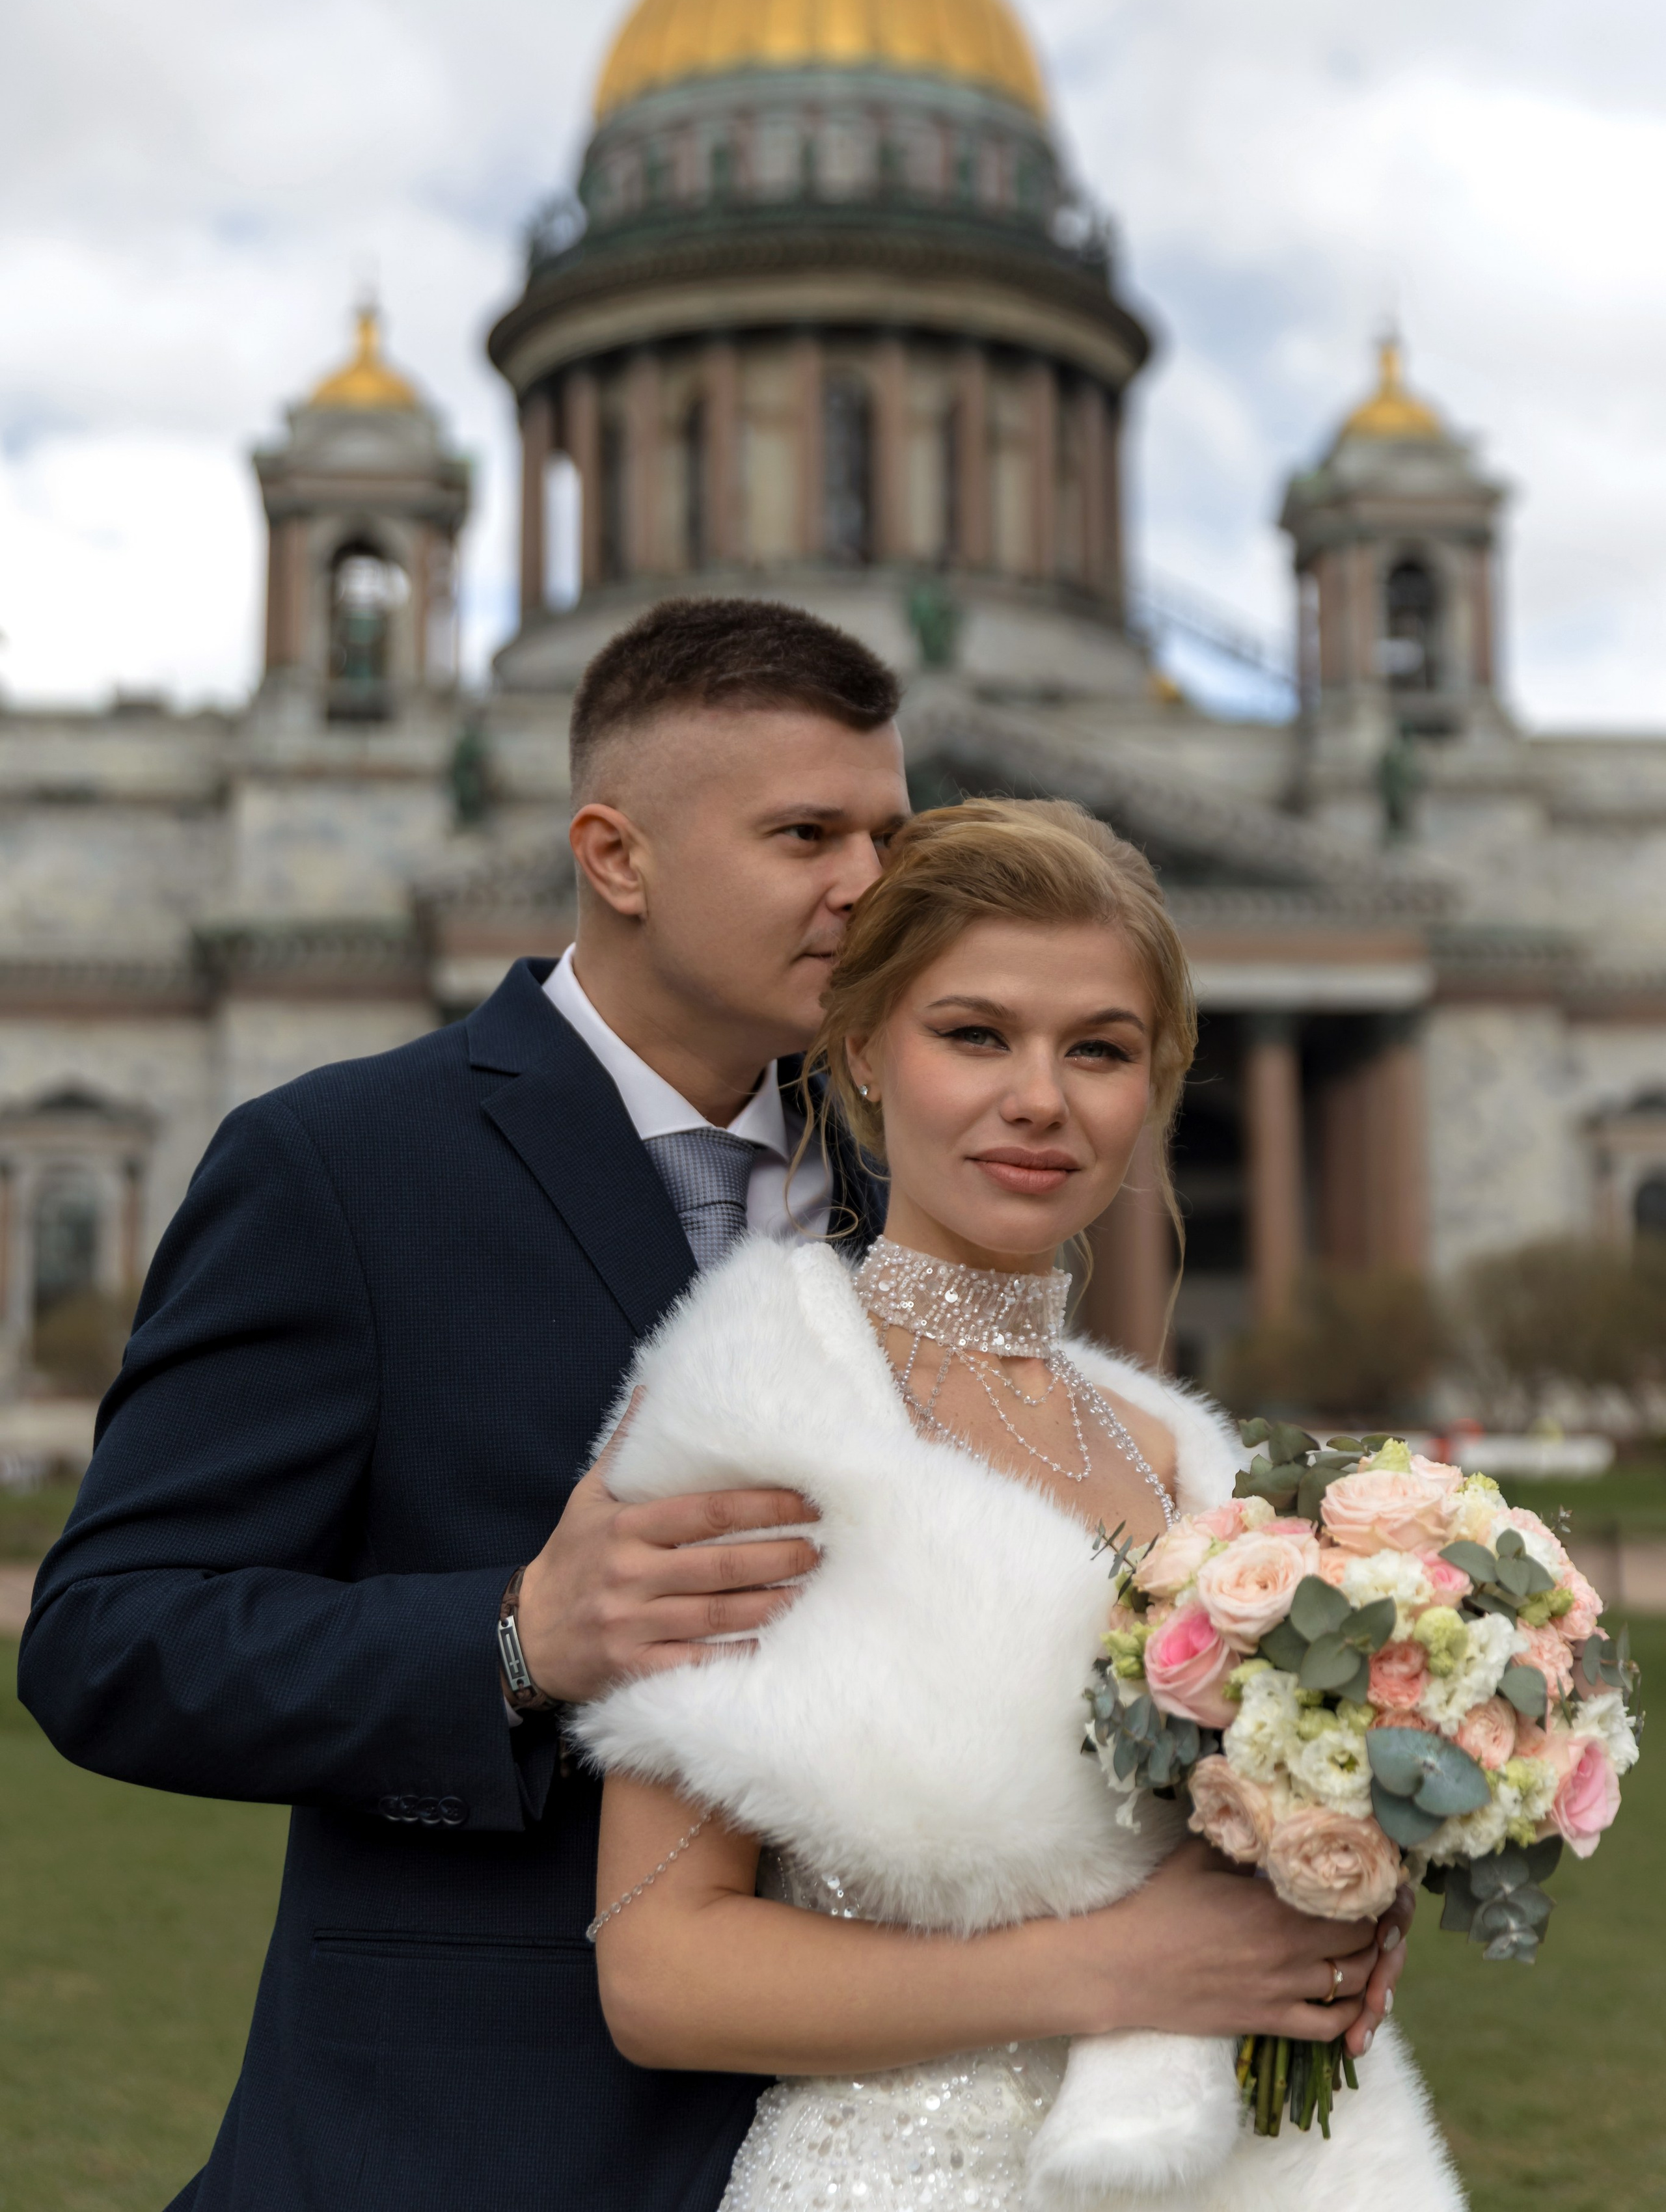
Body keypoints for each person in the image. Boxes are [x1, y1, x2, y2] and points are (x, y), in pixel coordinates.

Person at [19, 603, 1403, 2212]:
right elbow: (109, 1640)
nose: (869, 885)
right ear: (616, 856)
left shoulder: (943, 1184)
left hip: (921, 2133)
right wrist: (513, 1641)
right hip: (472, 2137)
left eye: (888, 833)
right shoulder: (342, 1166)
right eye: (806, 836)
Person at [577, 800, 1458, 2211]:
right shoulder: (763, 1400)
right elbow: (659, 1971)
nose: (1041, 1098)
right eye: (975, 1034)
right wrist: (1115, 1969)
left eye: (1098, 1049)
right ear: (865, 1050)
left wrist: (1330, 1911)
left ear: (1153, 1084)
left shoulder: (1184, 1457)